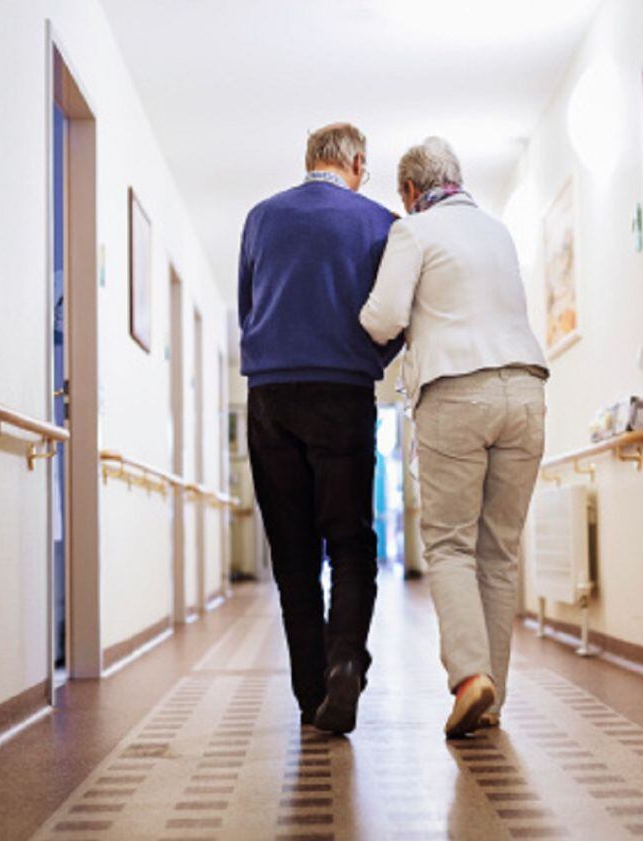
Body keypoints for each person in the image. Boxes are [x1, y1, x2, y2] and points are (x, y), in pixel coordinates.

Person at [360, 137, 548, 737]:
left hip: (456, 392)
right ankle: (491, 699)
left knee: (447, 546)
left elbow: (383, 318)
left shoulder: (414, 232)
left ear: (411, 193)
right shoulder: (498, 231)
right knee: (499, 551)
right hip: (526, 392)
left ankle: (471, 678)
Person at [239, 122, 401, 734]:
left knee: (293, 555)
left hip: (271, 394)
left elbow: (248, 304)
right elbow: (395, 315)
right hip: (343, 391)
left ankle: (311, 696)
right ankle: (344, 665)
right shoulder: (380, 222)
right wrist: (369, 362)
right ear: (356, 163)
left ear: (310, 161)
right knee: (352, 542)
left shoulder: (260, 216)